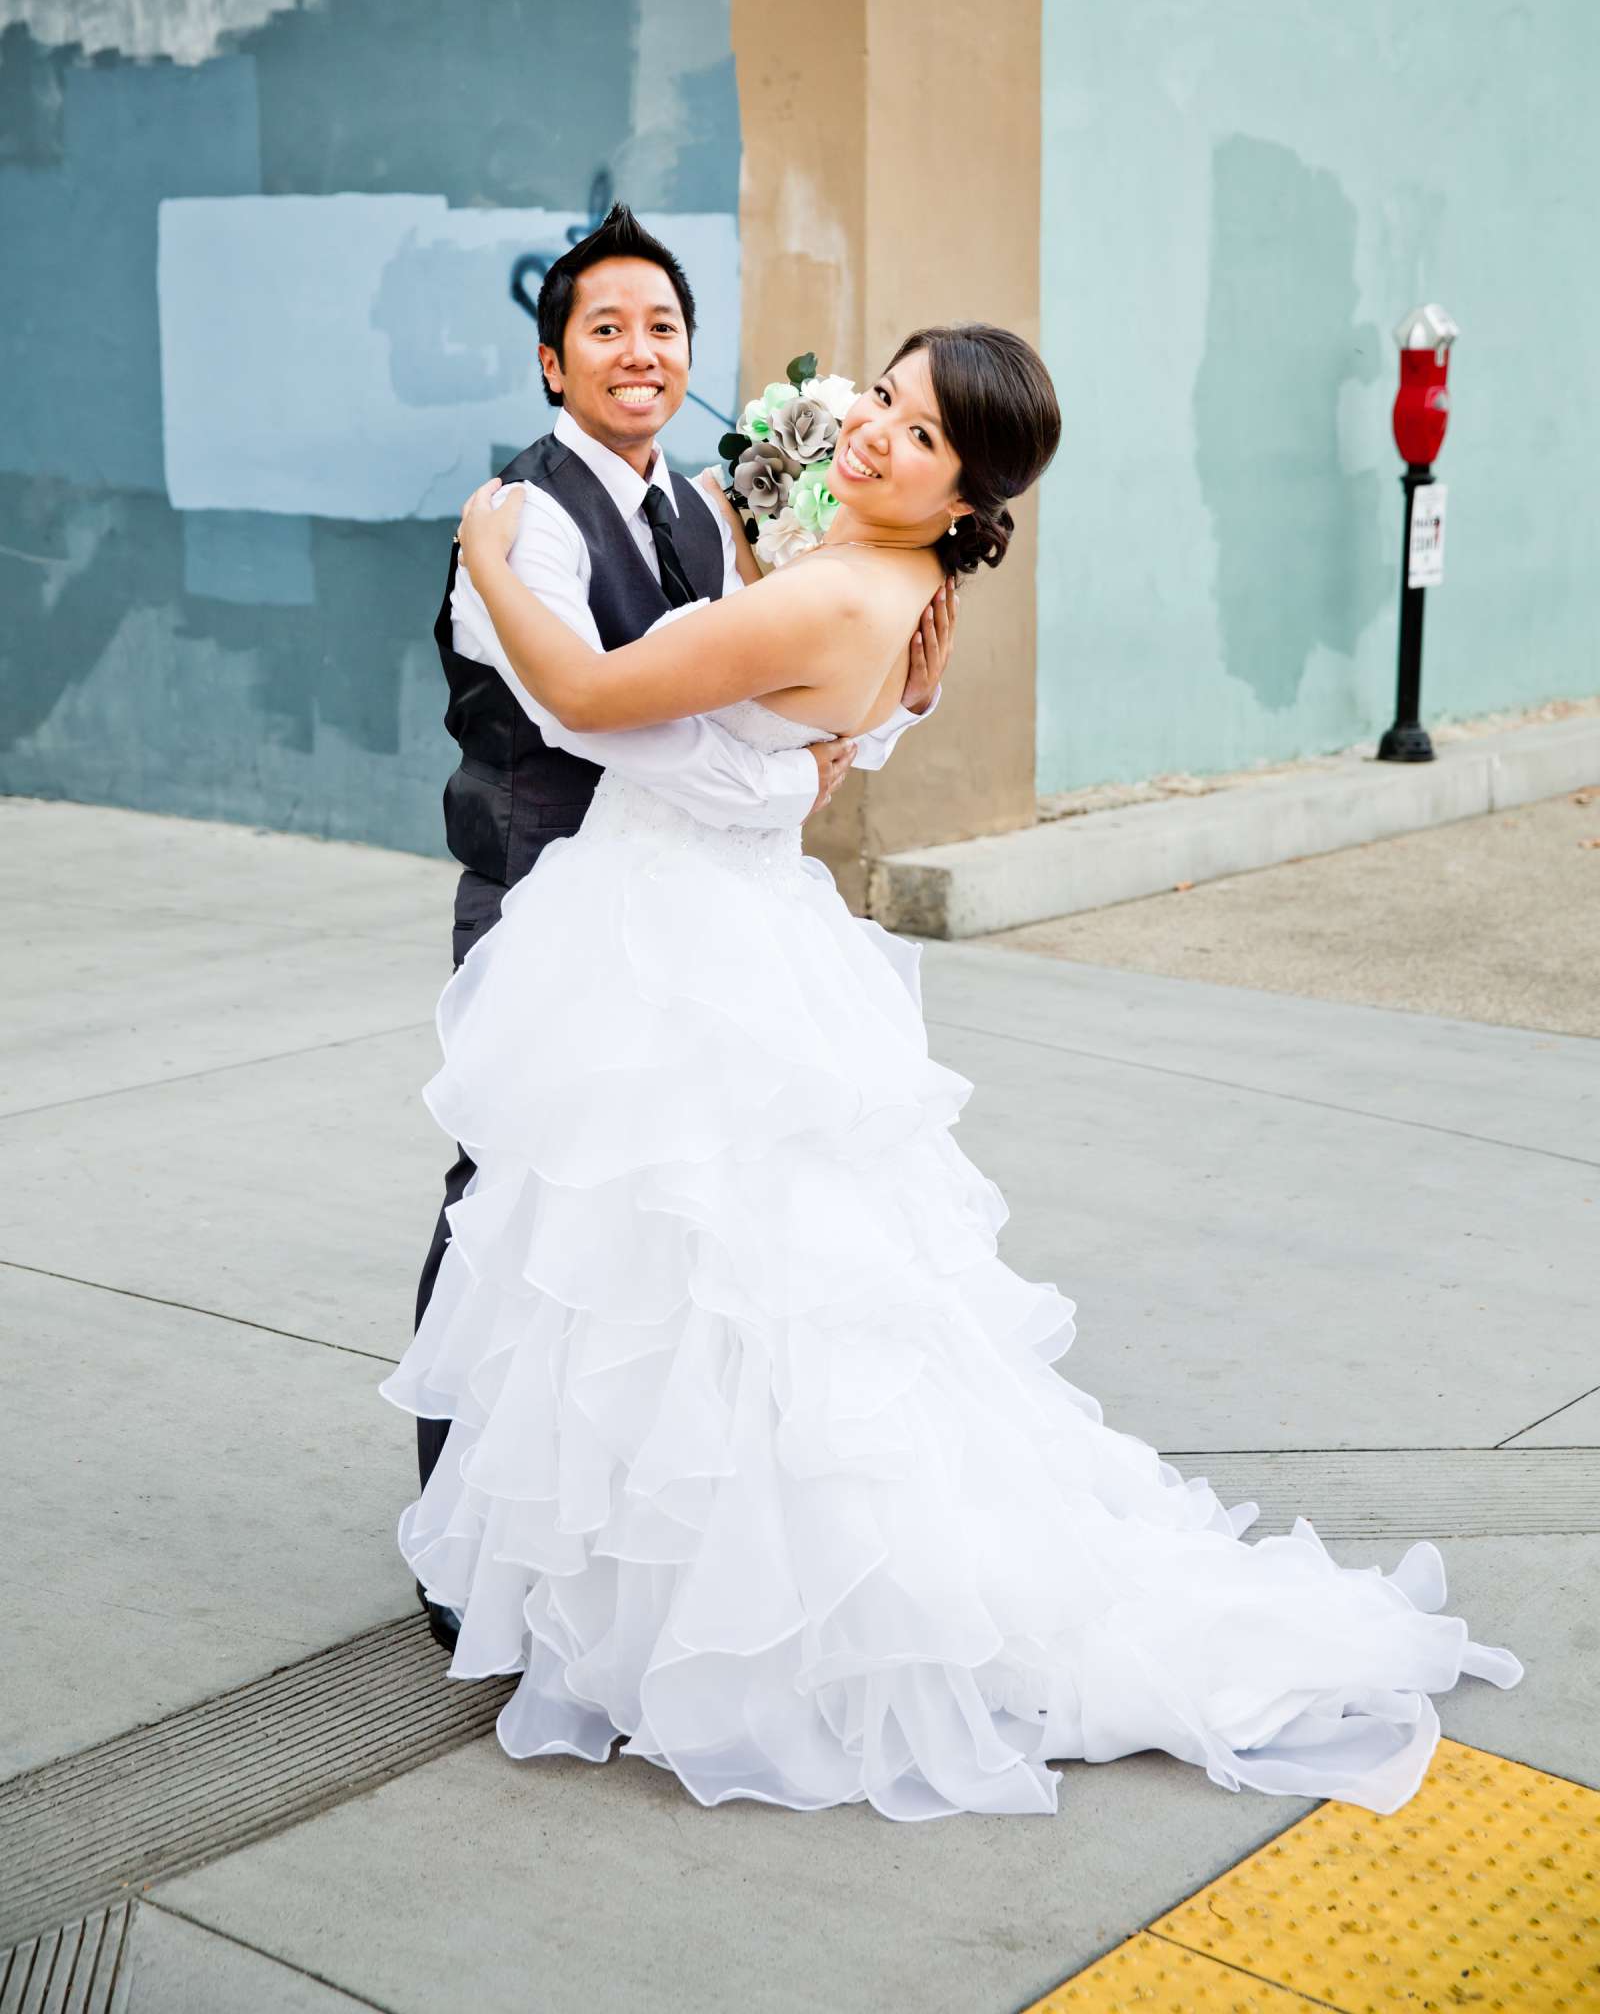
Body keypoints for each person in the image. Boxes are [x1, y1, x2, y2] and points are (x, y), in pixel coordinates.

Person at [383, 320, 1520, 1821]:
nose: (874, 435)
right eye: (885, 399)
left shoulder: (852, 591)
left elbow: (591, 701)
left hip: (687, 947)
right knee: (716, 1281)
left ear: (966, 492)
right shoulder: (905, 591)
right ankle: (661, 1571)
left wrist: (485, 556)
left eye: (920, 439)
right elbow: (775, 732)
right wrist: (792, 754)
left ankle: (735, 1608)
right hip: (728, 925)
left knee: (688, 1274)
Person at [412, 204, 953, 1648]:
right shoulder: (520, 522)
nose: (639, 353)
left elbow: (781, 685)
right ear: (551, 363)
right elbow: (602, 727)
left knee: (673, 1222)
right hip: (546, 891)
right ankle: (462, 1542)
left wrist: (842, 728)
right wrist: (796, 778)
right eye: (605, 329)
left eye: (663, 329)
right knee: (516, 1205)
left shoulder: (707, 512)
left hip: (678, 909)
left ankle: (633, 1533)